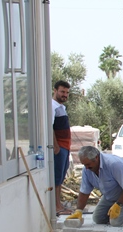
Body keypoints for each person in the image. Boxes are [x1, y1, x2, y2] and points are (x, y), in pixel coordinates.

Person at [66, 146, 123, 226]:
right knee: (98, 218)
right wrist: (79, 211)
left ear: (96, 158)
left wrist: (118, 205)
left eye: (88, 164)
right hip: (111, 194)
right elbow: (84, 192)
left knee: (117, 221)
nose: (86, 168)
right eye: (84, 165)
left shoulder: (114, 164)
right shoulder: (87, 170)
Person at [52, 80, 72, 215]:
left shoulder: (61, 107)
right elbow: (50, 127)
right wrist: (55, 146)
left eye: (67, 93)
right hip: (59, 147)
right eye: (62, 92)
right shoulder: (52, 106)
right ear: (55, 91)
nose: (65, 95)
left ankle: (59, 204)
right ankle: (56, 206)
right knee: (56, 178)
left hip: (65, 146)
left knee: (61, 178)